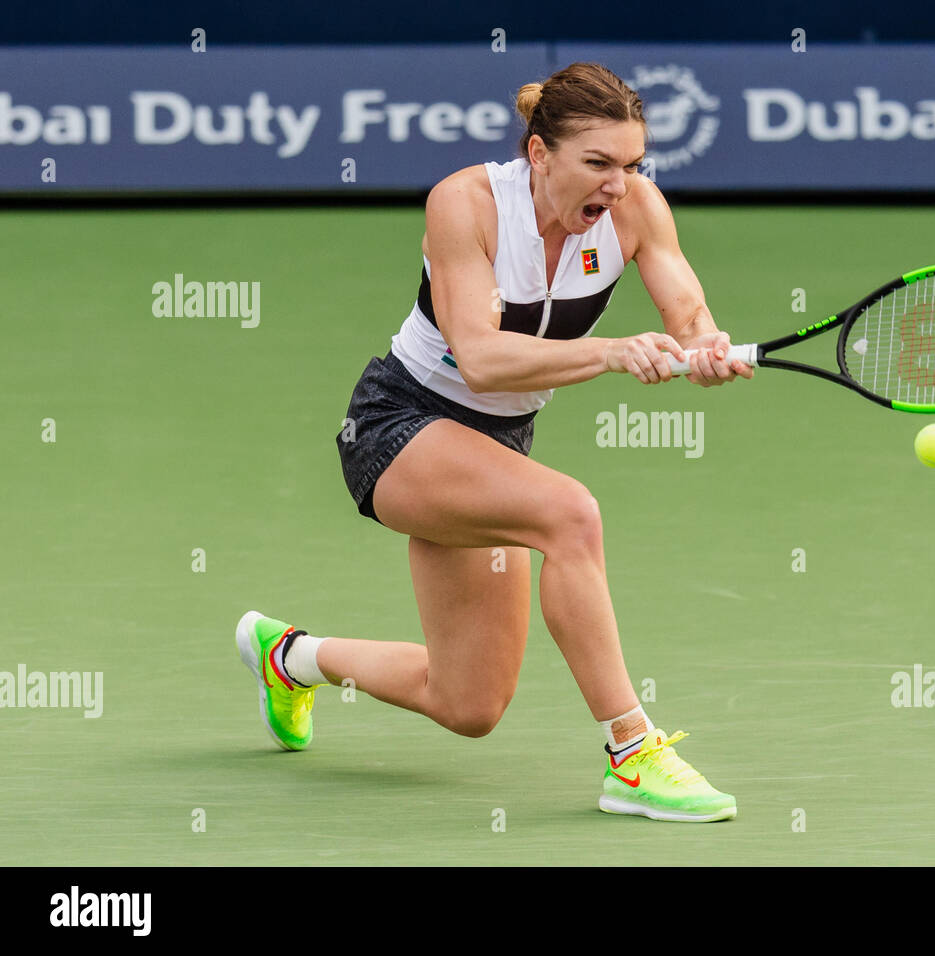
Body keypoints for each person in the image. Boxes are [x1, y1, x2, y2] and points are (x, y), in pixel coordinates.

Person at [235, 62, 752, 823]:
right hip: (398, 427)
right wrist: (612, 352)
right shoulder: (466, 202)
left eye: (632, 165)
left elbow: (688, 305)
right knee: (570, 514)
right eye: (598, 164)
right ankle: (633, 755)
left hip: (496, 445)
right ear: (540, 154)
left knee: (468, 702)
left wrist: (706, 348)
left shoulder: (637, 209)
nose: (618, 185)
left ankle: (292, 659)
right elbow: (479, 356)